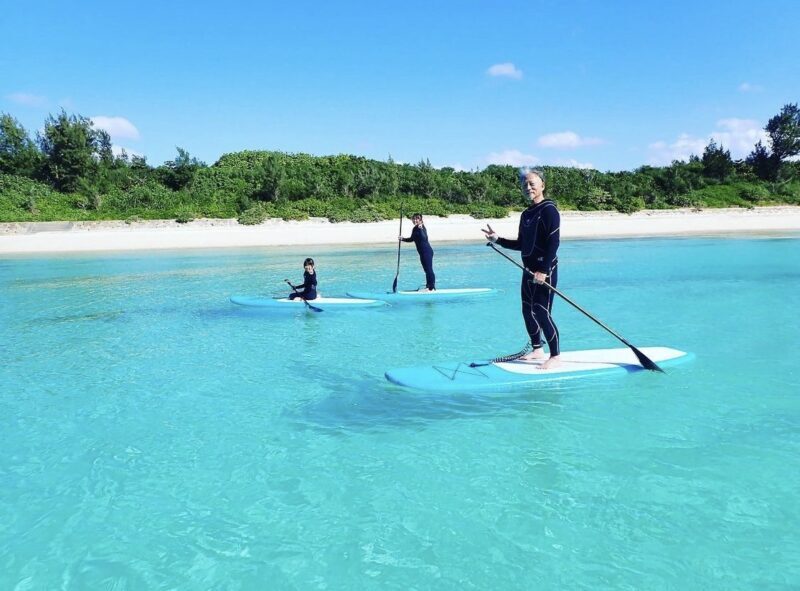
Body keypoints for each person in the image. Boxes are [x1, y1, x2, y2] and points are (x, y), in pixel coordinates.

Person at [482, 168, 561, 369]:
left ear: (542, 185)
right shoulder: (526, 214)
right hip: (528, 270)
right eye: (524, 184)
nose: (528, 187)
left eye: (532, 183)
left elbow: (553, 243)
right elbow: (521, 244)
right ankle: (537, 349)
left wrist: (543, 270)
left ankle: (555, 356)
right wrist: (497, 240)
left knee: (541, 311)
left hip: (545, 270)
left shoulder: (549, 209)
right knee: (527, 310)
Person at [399, 213, 436, 291]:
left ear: (420, 220)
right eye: (414, 219)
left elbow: (424, 238)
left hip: (427, 251)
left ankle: (431, 287)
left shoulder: (421, 228)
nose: (415, 220)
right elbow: (412, 239)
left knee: (429, 269)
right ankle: (428, 286)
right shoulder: (415, 228)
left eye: (417, 219)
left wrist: (421, 229)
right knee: (426, 270)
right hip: (422, 253)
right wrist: (403, 239)